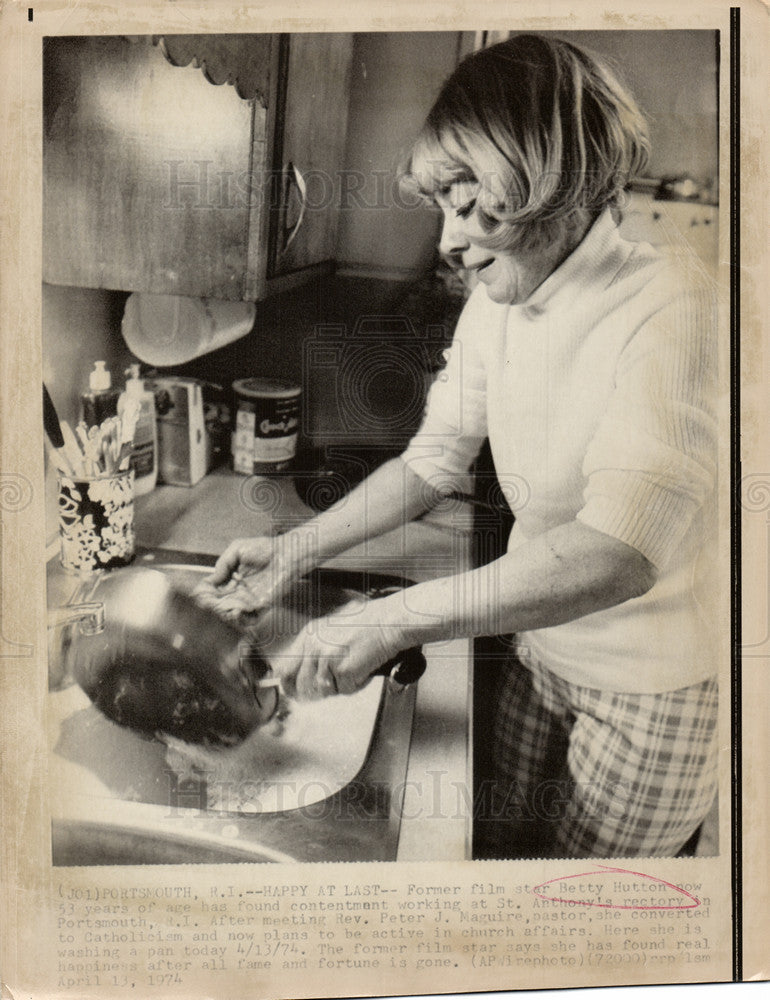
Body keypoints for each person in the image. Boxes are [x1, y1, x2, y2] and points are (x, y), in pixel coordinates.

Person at [201, 34, 719, 860]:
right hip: (540, 644)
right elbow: (431, 460)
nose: (448, 238)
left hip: (656, 686)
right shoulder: (499, 302)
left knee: (576, 927)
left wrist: (396, 617)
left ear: (549, 178)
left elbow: (621, 552)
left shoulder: (678, 306)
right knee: (505, 861)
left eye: (469, 201)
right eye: (441, 205)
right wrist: (291, 553)